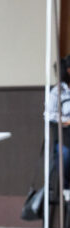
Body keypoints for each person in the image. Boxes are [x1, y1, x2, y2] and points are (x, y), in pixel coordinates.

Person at [45, 55, 70, 193]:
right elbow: (49, 114)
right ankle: (65, 189)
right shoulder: (58, 91)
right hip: (65, 136)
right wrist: (66, 120)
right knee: (65, 154)